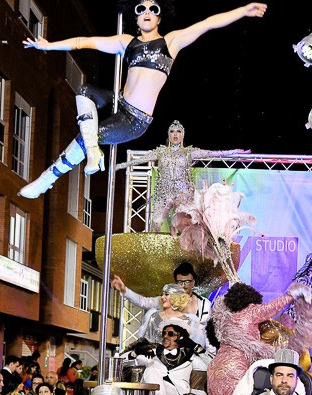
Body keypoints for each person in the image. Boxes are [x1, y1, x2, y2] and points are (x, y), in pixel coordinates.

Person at [18, 1, 268, 198]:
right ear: (136, 18)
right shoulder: (126, 42)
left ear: (159, 17)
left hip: (135, 121)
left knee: (87, 136)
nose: (147, 12)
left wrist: (243, 10)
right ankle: (93, 152)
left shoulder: (171, 41)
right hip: (119, 102)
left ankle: (47, 180)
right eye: (141, 9)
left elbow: (208, 23)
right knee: (84, 91)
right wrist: (48, 46)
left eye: (153, 8)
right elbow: (84, 42)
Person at [115, 120, 249, 231]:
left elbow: (213, 153)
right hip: (164, 193)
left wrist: (234, 152)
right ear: (168, 134)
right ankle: (154, 252)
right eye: (172, 131)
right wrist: (120, 165)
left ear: (182, 135)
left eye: (178, 132)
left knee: (190, 222)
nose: (175, 134)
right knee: (156, 223)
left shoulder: (188, 152)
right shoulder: (160, 152)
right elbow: (139, 160)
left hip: (183, 193)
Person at [206, 281, 312, 395]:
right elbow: (271, 307)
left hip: (215, 367)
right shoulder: (249, 311)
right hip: (235, 367)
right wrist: (292, 295)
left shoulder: (223, 319)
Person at [113, 261, 213, 329]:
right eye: (179, 282)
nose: (183, 286)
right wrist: (124, 290)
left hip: (196, 354)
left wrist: (210, 357)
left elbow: (208, 334)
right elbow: (143, 302)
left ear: (193, 283)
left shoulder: (204, 304)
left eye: (186, 282)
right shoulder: (166, 300)